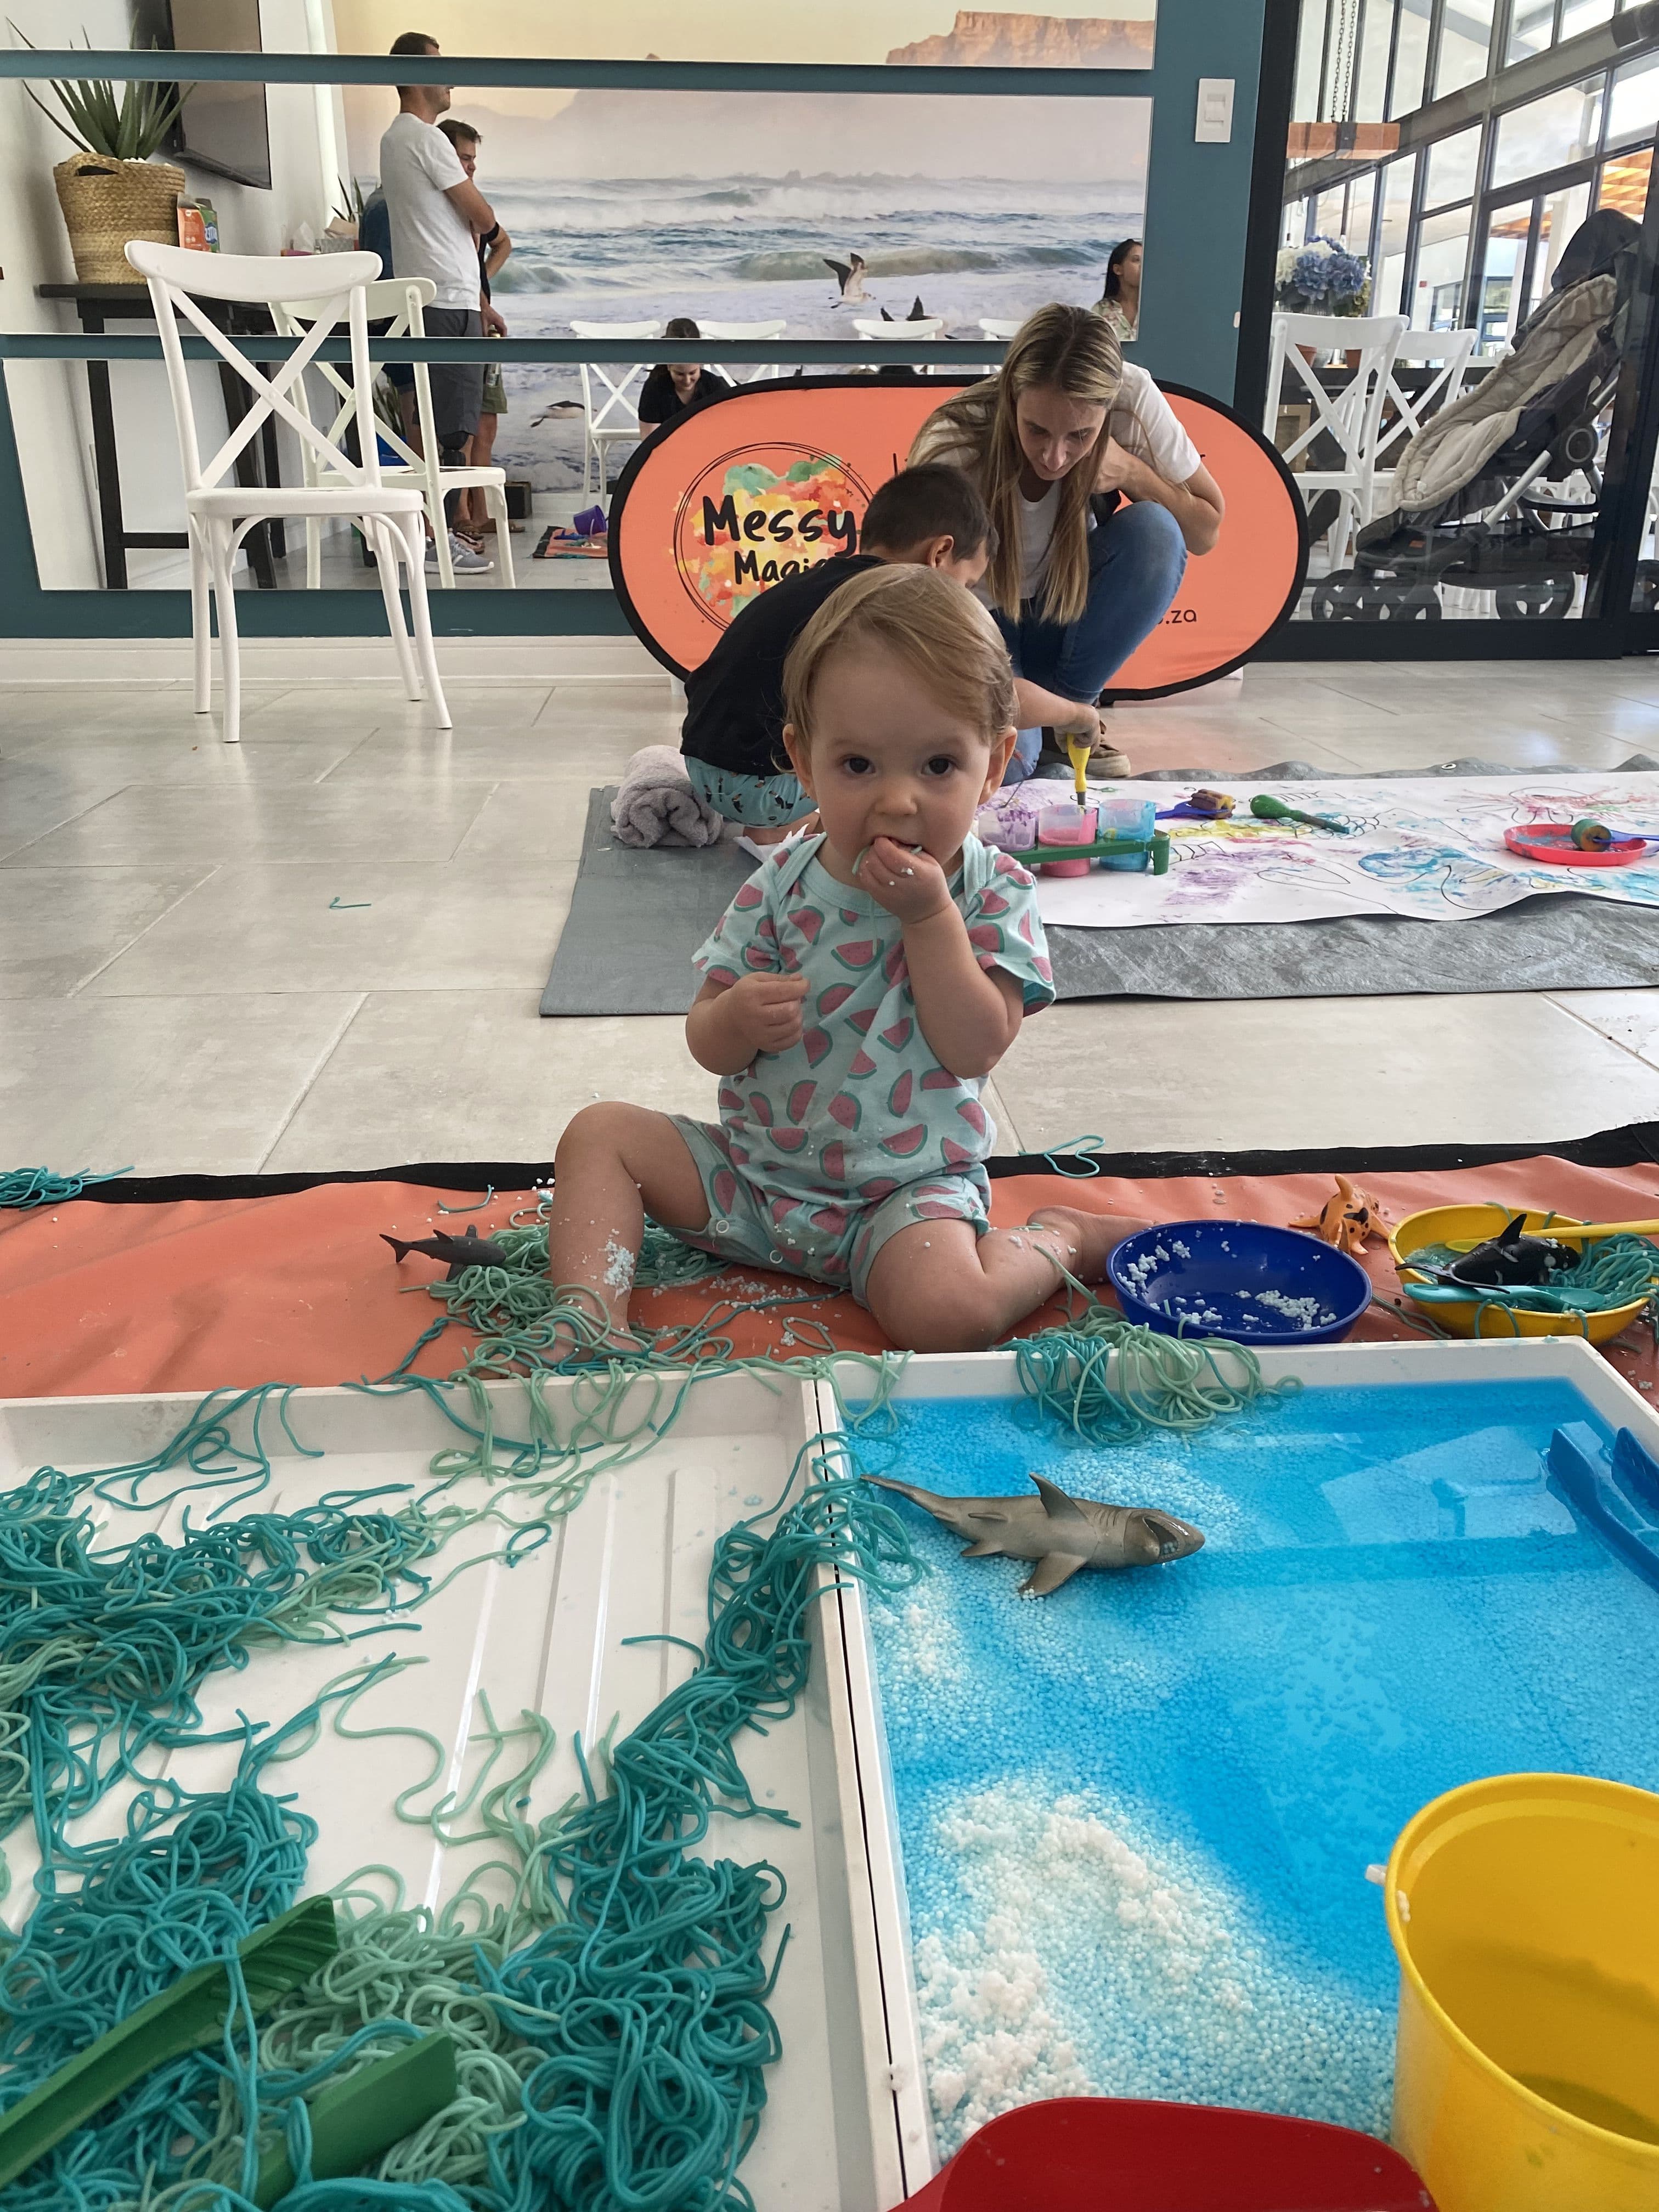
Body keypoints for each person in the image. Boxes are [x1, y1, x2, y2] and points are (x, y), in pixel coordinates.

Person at [548, 565, 1148, 1354]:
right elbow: (706, 1040)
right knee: (599, 1134)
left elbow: (977, 1045)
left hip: (904, 1200)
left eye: (938, 766)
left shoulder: (990, 892)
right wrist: (734, 1018)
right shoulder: (779, 884)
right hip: (755, 1184)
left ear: (995, 764)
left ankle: (1060, 1239)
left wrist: (929, 919)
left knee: (948, 1316)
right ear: (804, 760)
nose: (898, 801)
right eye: (859, 766)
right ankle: (591, 1317)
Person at [909, 302, 1225, 782]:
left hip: (1066, 610)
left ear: (1107, 408)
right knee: (1008, 772)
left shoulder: (1132, 395)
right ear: (1012, 396)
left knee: (1156, 531)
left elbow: (1205, 532)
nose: (1055, 457)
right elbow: (917, 593)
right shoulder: (955, 437)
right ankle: (1059, 727)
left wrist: (1132, 472)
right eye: (1036, 429)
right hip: (979, 625)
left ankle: (1070, 717)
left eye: (1081, 435)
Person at [682, 462, 1069, 850]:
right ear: (940, 554)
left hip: (704, 764)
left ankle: (777, 830)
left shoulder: (819, 581)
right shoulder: (892, 606)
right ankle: (795, 833)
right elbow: (995, 699)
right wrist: (1078, 714)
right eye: (967, 584)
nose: (965, 598)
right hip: (762, 785)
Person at [378, 30, 499, 575]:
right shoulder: (425, 139)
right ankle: (439, 541)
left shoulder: (396, 139)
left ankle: (435, 536)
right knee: (451, 429)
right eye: (441, 67)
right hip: (445, 301)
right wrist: (491, 224)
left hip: (439, 297)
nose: (451, 77)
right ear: (415, 75)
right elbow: (480, 215)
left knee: (437, 424)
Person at [437, 116, 515, 541]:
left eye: (472, 160)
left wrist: (483, 285)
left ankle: (481, 512)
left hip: (476, 315)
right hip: (463, 315)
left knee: (486, 422)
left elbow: (502, 240)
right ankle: (462, 514)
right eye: (462, 159)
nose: (469, 168)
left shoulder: (473, 206)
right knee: (462, 425)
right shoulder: (443, 209)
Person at [637, 321, 733, 426]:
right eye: (680, 374)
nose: (687, 381)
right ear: (668, 366)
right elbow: (650, 440)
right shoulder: (654, 387)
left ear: (700, 364)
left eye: (693, 373)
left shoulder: (714, 386)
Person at [1097, 239, 1142, 343]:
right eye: (1136, 260)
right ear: (1118, 270)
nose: (1142, 266)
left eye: (1145, 261)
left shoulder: (1156, 309)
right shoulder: (1101, 311)